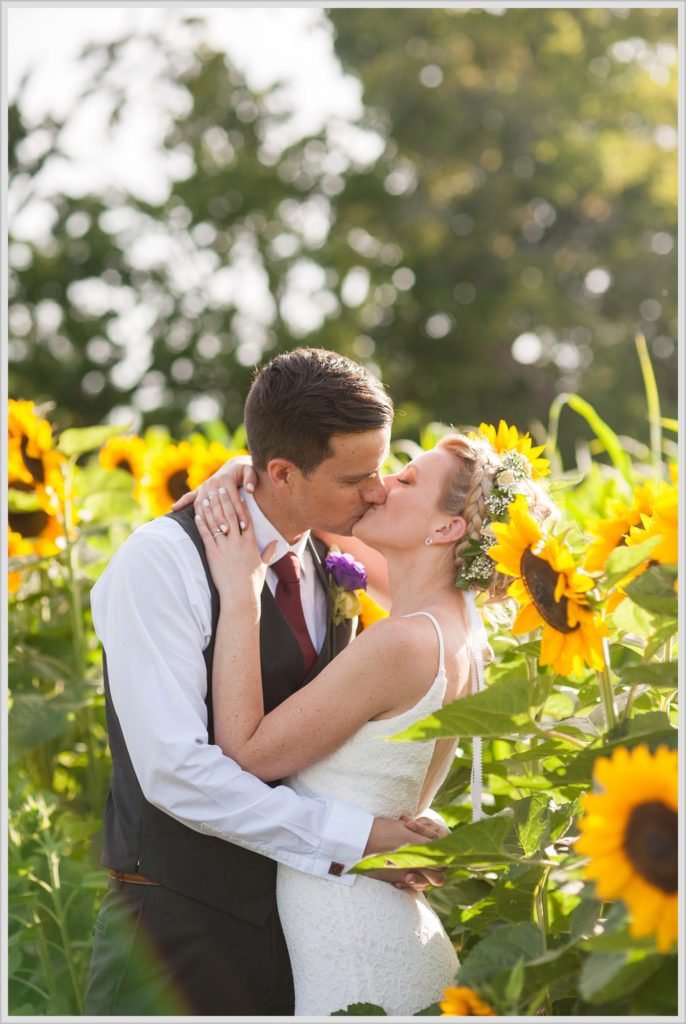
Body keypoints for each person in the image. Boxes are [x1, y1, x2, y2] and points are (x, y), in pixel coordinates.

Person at [85, 348, 447, 1017]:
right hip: (176, 938)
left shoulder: (329, 554)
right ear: (282, 472)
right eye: (356, 476)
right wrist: (357, 839)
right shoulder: (161, 564)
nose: (376, 490)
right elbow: (177, 774)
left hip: (299, 931)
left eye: (382, 468)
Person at [185, 424, 553, 1015]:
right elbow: (329, 520)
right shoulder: (460, 633)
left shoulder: (401, 644)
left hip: (356, 952)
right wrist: (254, 472)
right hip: (382, 932)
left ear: (447, 528)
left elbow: (247, 754)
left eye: (406, 479)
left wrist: (240, 591)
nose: (380, 488)